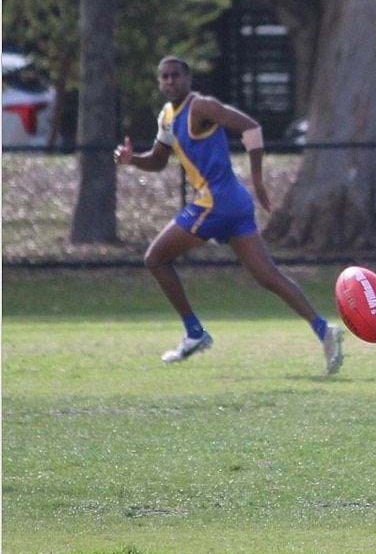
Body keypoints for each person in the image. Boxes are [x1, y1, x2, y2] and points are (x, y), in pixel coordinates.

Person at [114, 56, 344, 374]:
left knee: (155, 258)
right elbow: (157, 160)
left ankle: (195, 333)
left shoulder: (202, 107)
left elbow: (251, 128)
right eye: (164, 77)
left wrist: (260, 180)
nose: (169, 81)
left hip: (214, 204)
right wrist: (131, 160)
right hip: (233, 204)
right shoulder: (167, 116)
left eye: (175, 76)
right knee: (268, 277)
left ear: (188, 78)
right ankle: (324, 330)